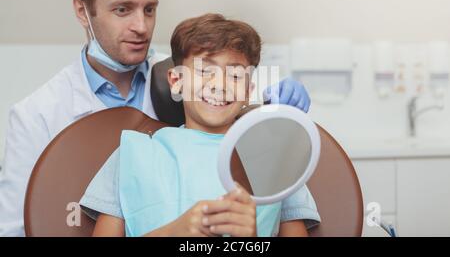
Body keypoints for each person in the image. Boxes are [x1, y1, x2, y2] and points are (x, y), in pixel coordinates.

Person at [0, 0, 311, 237]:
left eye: (149, 9)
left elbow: (227, 107)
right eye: (123, 10)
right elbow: (14, 229)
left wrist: (273, 110)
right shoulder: (37, 116)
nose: (141, 26)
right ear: (83, 12)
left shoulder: (181, 76)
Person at [79, 13, 320, 237]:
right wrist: (177, 232)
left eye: (235, 75)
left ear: (248, 91)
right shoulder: (132, 154)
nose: (219, 84)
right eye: (205, 69)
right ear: (176, 81)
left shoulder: (277, 162)